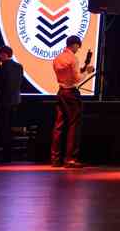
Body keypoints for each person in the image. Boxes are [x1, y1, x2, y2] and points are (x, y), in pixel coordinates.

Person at [51, 35, 93, 168]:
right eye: (78, 47)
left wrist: (81, 71)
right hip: (71, 94)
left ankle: (55, 159)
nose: (77, 49)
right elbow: (76, 80)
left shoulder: (57, 58)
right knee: (74, 125)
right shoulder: (73, 59)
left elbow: (68, 75)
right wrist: (87, 72)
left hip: (61, 92)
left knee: (59, 126)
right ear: (75, 45)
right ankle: (70, 159)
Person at [0, 46, 23, 163]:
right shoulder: (19, 67)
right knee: (10, 129)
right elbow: (19, 83)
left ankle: (6, 156)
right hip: (15, 101)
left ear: (4, 54)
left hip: (3, 102)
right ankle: (9, 155)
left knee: (4, 129)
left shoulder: (1, 68)